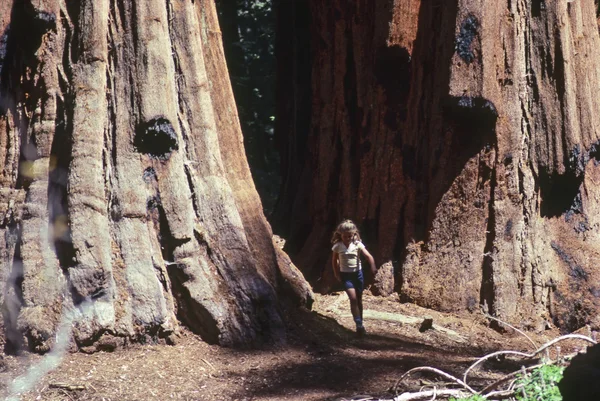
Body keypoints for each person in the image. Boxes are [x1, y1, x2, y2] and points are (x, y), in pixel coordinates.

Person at [331, 219, 377, 336]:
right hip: (346, 276)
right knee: (353, 298)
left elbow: (368, 256)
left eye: (350, 236)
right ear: (340, 235)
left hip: (358, 275)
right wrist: (336, 274)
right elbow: (334, 261)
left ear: (354, 235)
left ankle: (360, 325)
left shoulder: (357, 244)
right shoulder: (338, 246)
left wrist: (373, 266)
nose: (347, 238)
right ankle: (358, 323)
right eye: (345, 236)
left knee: (359, 300)